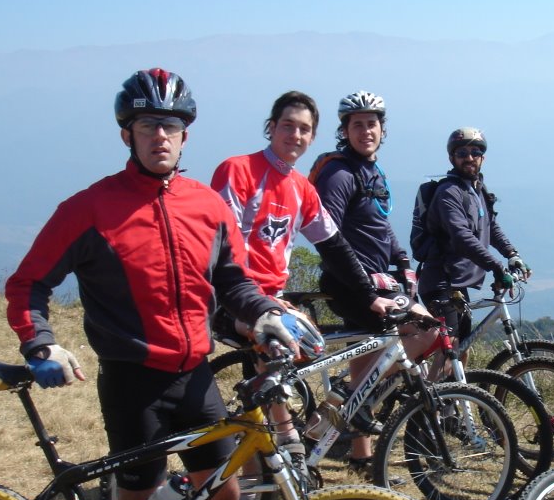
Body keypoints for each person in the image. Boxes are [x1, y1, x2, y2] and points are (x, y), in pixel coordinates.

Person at [5, 69, 300, 500]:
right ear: (127, 134)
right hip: (132, 379)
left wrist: (264, 314)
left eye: (171, 126)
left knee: (221, 491)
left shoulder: (207, 205)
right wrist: (42, 343)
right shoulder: (90, 208)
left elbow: (234, 284)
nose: (160, 136)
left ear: (185, 136)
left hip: (195, 373)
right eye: (147, 126)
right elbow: (29, 283)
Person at [210, 90, 392, 467]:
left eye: (304, 129)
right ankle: (289, 443)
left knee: (311, 348)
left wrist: (369, 295)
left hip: (269, 298)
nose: (295, 135)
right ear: (271, 128)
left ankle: (278, 441)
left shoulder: (300, 187)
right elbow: (222, 248)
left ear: (313, 137)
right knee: (279, 347)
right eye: (288, 126)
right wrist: (259, 301)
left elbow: (334, 246)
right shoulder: (238, 169)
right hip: (231, 298)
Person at [310, 90, 436, 478]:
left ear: (383, 129)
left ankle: (359, 453)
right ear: (344, 130)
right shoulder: (339, 173)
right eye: (357, 124)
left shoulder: (370, 170)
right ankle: (344, 407)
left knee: (366, 361)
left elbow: (379, 226)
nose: (366, 131)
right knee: (430, 331)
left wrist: (401, 260)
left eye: (372, 124)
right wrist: (366, 285)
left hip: (376, 280)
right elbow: (327, 235)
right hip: (353, 284)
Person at [415, 127, 530, 359]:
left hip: (457, 283)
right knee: (450, 352)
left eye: (475, 152)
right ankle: (433, 393)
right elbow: (461, 237)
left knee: (463, 349)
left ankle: (456, 395)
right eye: (462, 153)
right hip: (440, 281)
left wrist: (512, 254)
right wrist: (496, 267)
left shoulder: (477, 189)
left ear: (482, 158)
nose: (469, 158)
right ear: (452, 158)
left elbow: (491, 227)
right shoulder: (449, 193)